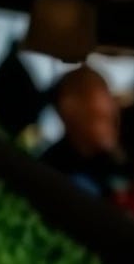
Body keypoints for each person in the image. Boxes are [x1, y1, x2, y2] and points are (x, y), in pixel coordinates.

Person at [39, 65, 123, 195]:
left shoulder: (110, 169)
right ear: (69, 107)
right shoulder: (50, 174)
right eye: (99, 117)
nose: (112, 108)